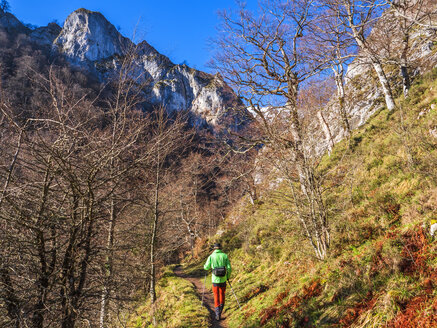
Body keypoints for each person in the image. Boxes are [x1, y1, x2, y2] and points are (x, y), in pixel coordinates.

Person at [204, 242, 232, 321]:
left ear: (214, 249)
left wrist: (205, 267)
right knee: (222, 294)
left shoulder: (211, 256)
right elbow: (229, 268)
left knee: (216, 295)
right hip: (223, 279)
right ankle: (221, 310)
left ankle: (217, 314)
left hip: (215, 280)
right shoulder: (224, 256)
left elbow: (206, 267)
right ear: (220, 248)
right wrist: (227, 277)